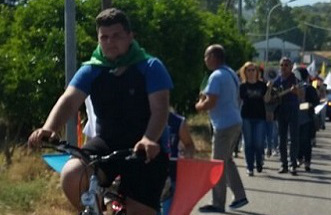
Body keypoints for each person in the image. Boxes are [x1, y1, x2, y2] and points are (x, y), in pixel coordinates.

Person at [26, 8, 171, 215]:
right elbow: (69, 100)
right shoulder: (92, 69)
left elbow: (160, 109)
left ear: (130, 36)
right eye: (104, 37)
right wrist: (49, 128)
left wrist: (149, 139)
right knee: (72, 174)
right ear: (98, 40)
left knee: (140, 211)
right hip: (107, 143)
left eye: (116, 36)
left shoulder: (149, 66)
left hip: (146, 147)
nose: (110, 42)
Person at [196, 44, 249, 213]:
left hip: (224, 125)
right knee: (227, 161)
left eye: (206, 56)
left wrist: (199, 106)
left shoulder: (216, 76)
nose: (205, 60)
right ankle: (240, 195)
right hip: (234, 121)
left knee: (217, 164)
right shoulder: (230, 73)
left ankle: (218, 203)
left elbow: (210, 101)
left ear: (213, 57)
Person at [270, 57, 303, 175]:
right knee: (281, 139)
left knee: (294, 138)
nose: (284, 67)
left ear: (291, 67)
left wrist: (296, 92)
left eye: (286, 65)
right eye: (282, 65)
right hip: (280, 111)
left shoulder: (296, 79)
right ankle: (283, 164)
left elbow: (302, 95)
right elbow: (271, 96)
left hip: (293, 110)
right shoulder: (276, 80)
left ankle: (293, 164)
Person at [238, 62, 269, 176]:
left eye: (253, 70)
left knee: (259, 143)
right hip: (246, 116)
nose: (251, 72)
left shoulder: (262, 85)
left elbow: (266, 100)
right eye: (248, 70)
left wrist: (269, 88)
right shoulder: (242, 86)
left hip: (260, 116)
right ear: (245, 72)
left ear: (257, 72)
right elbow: (239, 100)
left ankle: (259, 160)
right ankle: (250, 166)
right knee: (248, 143)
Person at [296, 67, 320, 172]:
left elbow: (315, 102)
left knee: (306, 141)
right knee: (296, 141)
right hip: (295, 118)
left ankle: (307, 161)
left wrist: (304, 105)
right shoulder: (292, 87)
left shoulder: (309, 88)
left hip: (307, 119)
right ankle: (299, 158)